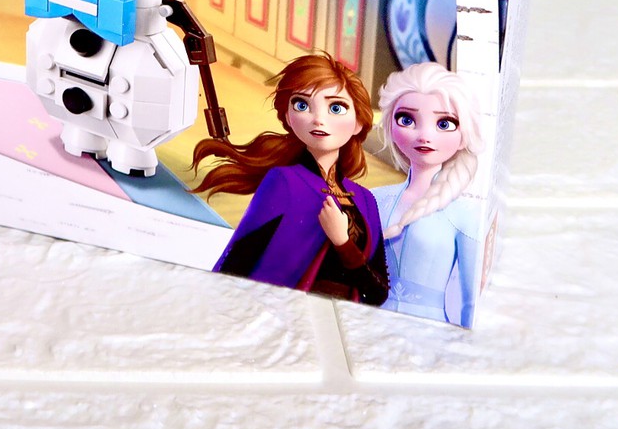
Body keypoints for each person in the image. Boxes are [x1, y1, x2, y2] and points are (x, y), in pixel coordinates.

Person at [192, 52, 387, 304]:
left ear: (359, 122)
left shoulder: (366, 200)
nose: (318, 119)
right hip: (283, 316)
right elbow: (239, 262)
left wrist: (343, 242)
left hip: (341, 321)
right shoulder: (284, 182)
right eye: (302, 105)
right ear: (287, 117)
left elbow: (378, 293)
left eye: (336, 108)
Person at [372, 62, 485, 326]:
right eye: (407, 120)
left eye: (444, 123)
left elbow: (472, 303)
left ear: (464, 134)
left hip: (427, 334)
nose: (424, 135)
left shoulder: (465, 214)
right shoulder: (374, 199)